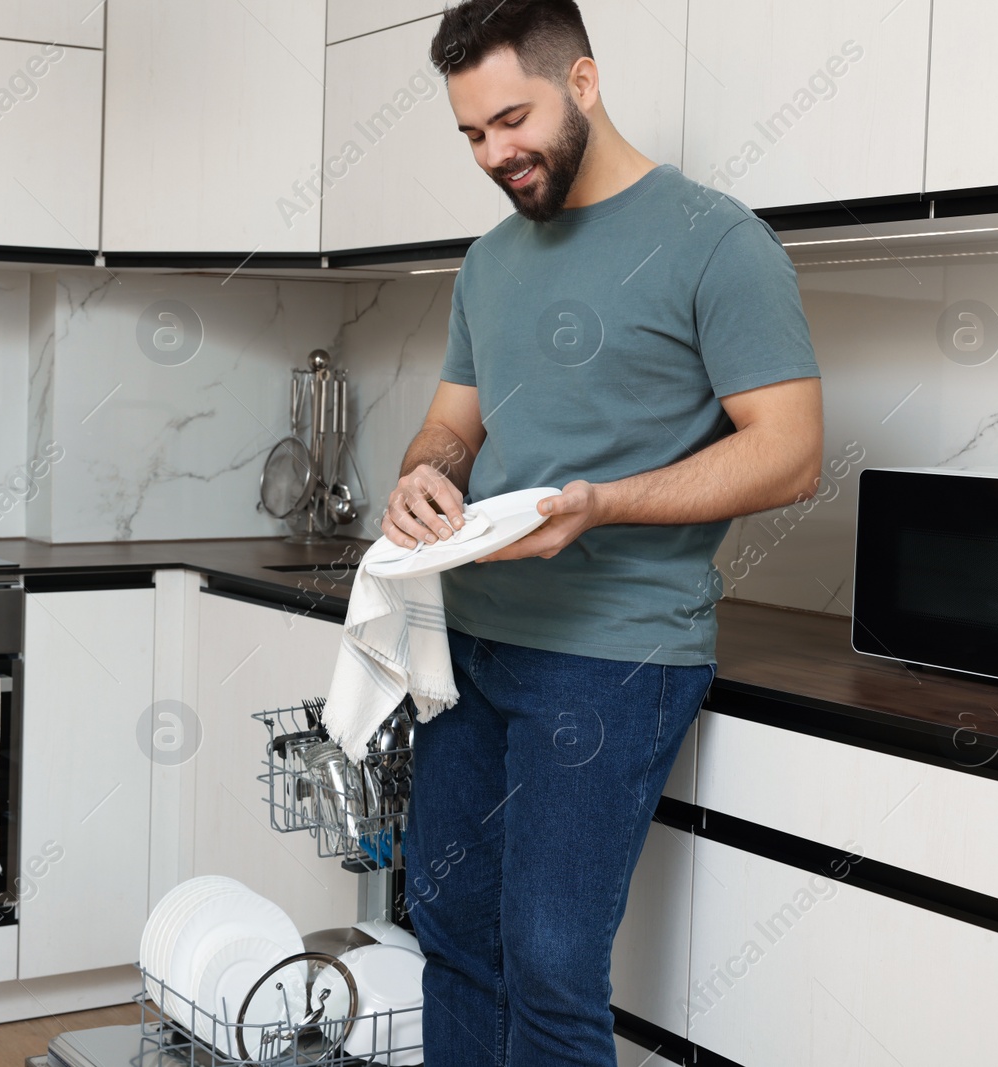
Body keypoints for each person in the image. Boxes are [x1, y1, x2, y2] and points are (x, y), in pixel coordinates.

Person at [382, 2, 824, 1064]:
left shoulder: (718, 241)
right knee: (447, 930)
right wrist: (419, 484)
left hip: (612, 657)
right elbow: (450, 426)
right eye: (471, 135)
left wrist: (603, 503)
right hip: (470, 642)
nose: (494, 154)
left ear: (581, 81)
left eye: (510, 120)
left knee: (547, 963)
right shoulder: (488, 261)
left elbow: (791, 451)